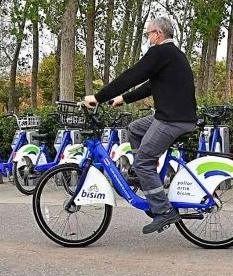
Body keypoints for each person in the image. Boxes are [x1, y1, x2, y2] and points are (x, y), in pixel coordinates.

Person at [84, 17, 197, 235]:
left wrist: (98, 97)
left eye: (148, 34)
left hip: (172, 120)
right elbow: (149, 86)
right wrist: (122, 99)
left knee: (144, 160)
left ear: (158, 34)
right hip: (174, 116)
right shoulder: (173, 55)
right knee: (135, 128)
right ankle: (141, 173)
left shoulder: (160, 52)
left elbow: (132, 75)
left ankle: (163, 210)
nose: (148, 38)